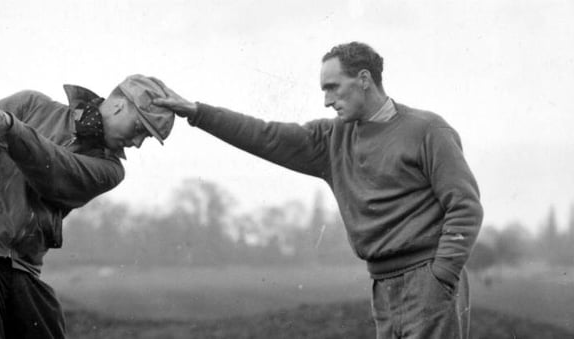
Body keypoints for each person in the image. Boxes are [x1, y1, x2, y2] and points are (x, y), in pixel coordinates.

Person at [152, 42, 483, 339]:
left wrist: (442, 274)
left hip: (427, 280)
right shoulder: (331, 140)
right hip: (383, 285)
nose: (326, 101)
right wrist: (197, 113)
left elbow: (465, 205)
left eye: (333, 88)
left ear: (365, 79)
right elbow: (265, 135)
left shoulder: (427, 131)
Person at [0, 62, 175, 339]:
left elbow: (53, 168)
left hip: (22, 266)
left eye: (146, 138)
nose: (139, 143)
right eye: (140, 129)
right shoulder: (31, 105)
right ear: (119, 106)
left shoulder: (110, 169)